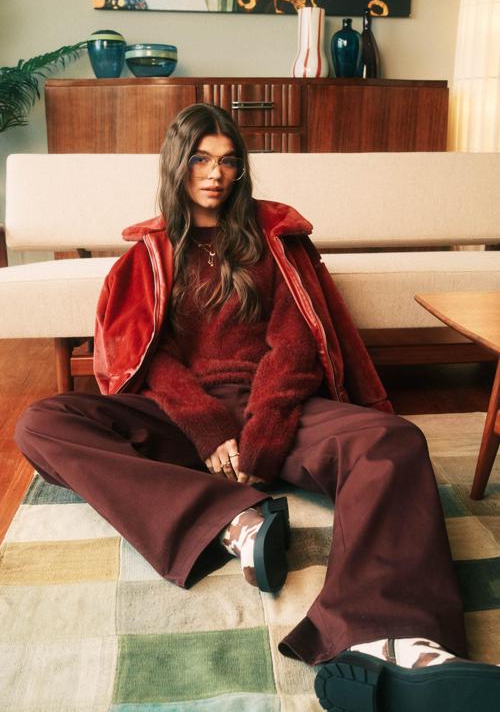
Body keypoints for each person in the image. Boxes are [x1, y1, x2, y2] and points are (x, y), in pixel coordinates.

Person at [15, 103, 500, 711]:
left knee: (394, 440)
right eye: (200, 159)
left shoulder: (273, 241)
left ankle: (384, 638)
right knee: (44, 423)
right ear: (176, 164)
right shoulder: (147, 256)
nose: (214, 174)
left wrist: (263, 433)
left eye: (228, 162)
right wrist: (208, 427)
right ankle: (234, 521)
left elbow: (294, 346)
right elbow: (151, 360)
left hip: (275, 405)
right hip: (183, 414)